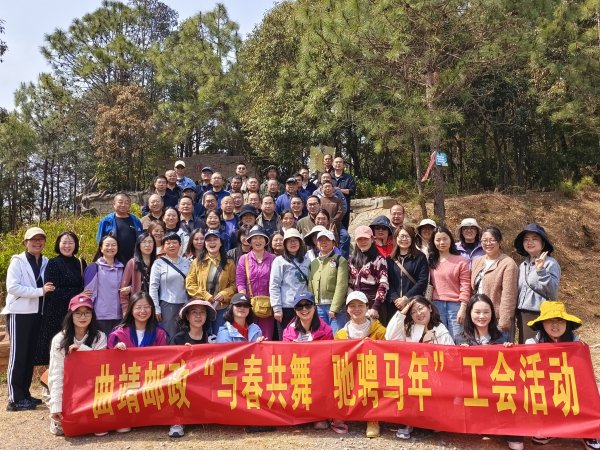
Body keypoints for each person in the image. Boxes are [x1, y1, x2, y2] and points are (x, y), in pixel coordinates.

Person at [521, 302, 599, 450]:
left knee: (586, 392)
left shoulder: (576, 344)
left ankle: (589, 432)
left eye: (559, 320)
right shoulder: (532, 343)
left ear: (566, 323)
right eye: (549, 320)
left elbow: (583, 373)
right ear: (542, 323)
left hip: (571, 385)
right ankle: (551, 428)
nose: (555, 325)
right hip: (547, 386)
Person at [385, 296, 454, 440]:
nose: (418, 313)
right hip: (411, 376)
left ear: (429, 308)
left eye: (421, 308)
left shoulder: (441, 330)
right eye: (413, 312)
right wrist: (402, 313)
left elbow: (450, 359)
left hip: (435, 378)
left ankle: (432, 418)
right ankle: (406, 421)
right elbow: (390, 336)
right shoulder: (409, 329)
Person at [3, 227, 54, 412]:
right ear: (26, 242)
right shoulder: (17, 261)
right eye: (33, 239)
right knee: (18, 356)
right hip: (19, 313)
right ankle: (14, 400)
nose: (37, 242)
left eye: (41, 239)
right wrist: (40, 291)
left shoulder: (46, 261)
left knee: (28, 355)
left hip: (37, 313)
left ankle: (24, 394)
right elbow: (12, 287)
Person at [48, 294, 107, 436]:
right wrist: (56, 406)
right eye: (78, 313)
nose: (83, 317)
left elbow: (99, 367)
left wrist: (82, 350)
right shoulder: (59, 339)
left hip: (91, 387)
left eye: (87, 312)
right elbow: (56, 373)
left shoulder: (100, 337)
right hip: (68, 387)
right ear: (71, 315)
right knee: (61, 430)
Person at [335, 291, 385, 437]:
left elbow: (387, 352)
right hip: (351, 372)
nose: (356, 309)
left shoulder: (379, 330)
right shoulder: (341, 334)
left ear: (367, 307)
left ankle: (372, 419)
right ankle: (342, 413)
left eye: (360, 305)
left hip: (372, 371)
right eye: (352, 306)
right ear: (347, 310)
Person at [34, 231, 88, 366]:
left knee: (75, 351)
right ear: (58, 244)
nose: (67, 246)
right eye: (64, 242)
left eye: (70, 242)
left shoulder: (81, 263)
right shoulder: (53, 263)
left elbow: (86, 287)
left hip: (75, 313)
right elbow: (52, 292)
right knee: (56, 352)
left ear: (76, 245)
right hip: (55, 314)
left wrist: (81, 294)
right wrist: (78, 294)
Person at [168, 299, 217, 438]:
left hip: (204, 382)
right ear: (187, 316)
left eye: (202, 312)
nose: (198, 316)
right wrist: (184, 355)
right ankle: (177, 420)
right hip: (182, 383)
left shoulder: (211, 338)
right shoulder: (178, 339)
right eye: (194, 312)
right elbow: (169, 366)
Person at [513, 223, 561, 344]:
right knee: (525, 348)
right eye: (526, 239)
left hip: (541, 314)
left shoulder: (550, 263)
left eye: (535, 239)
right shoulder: (523, 265)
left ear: (543, 244)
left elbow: (553, 292)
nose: (530, 242)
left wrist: (541, 270)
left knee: (538, 350)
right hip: (523, 315)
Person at [471, 227, 518, 342]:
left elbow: (509, 295)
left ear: (499, 241)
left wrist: (504, 321)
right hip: (480, 318)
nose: (488, 243)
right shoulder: (478, 261)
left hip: (497, 320)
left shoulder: (508, 263)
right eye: (484, 240)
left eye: (492, 240)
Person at [186, 230, 236, 334]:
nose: (212, 242)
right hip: (202, 307)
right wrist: (205, 295)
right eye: (208, 240)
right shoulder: (197, 262)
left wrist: (225, 294)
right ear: (205, 244)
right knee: (203, 336)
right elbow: (190, 284)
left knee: (220, 336)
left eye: (215, 239)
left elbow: (234, 284)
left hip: (222, 308)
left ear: (221, 243)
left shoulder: (229, 263)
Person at [428, 226, 471, 342]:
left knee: (458, 338)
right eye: (438, 240)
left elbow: (465, 285)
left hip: (455, 305)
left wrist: (463, 307)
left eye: (445, 239)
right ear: (433, 242)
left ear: (450, 239)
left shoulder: (461, 260)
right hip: (436, 305)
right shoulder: (431, 260)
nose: (441, 242)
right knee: (440, 338)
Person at [236, 226, 276, 339]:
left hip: (267, 306)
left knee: (266, 337)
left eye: (261, 238)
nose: (258, 241)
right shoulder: (244, 259)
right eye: (254, 238)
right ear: (250, 241)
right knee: (249, 337)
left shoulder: (273, 258)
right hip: (249, 305)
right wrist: (244, 301)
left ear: (266, 241)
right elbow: (240, 281)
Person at [270, 229, 311, 339]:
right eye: (289, 241)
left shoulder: (307, 260)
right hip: (286, 306)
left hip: (304, 305)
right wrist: (277, 308)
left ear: (300, 243)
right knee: (286, 339)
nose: (292, 243)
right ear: (285, 244)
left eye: (295, 240)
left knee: (303, 338)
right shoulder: (279, 261)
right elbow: (274, 285)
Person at [149, 233, 191, 339]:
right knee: (169, 335)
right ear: (163, 246)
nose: (171, 245)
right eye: (168, 243)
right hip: (167, 305)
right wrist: (156, 308)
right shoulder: (158, 263)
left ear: (180, 245)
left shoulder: (187, 262)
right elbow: (153, 287)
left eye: (174, 242)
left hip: (185, 304)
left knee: (184, 335)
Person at [385, 226, 429, 326]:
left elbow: (422, 281)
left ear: (412, 238)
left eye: (407, 236)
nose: (404, 239)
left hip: (414, 303)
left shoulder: (420, 257)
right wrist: (396, 299)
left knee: (414, 331)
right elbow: (387, 281)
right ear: (396, 238)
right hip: (393, 304)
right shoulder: (390, 259)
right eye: (401, 236)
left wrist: (406, 298)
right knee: (394, 331)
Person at [308, 229, 349, 334]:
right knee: (321, 337)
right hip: (318, 308)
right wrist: (312, 306)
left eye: (327, 240)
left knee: (337, 336)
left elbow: (341, 285)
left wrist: (334, 308)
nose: (323, 242)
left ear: (333, 243)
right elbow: (310, 286)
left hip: (335, 308)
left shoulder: (340, 260)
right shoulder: (313, 263)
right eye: (320, 240)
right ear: (317, 243)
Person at [84, 235, 125, 335]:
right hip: (100, 316)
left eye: (113, 245)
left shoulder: (122, 267)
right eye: (107, 245)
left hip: (120, 315)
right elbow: (89, 294)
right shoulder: (94, 267)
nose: (110, 247)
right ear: (101, 248)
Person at [348, 225, 389, 322]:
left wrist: (375, 307)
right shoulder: (352, 260)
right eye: (360, 239)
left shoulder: (379, 259)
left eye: (366, 239)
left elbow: (383, 284)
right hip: (357, 303)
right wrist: (351, 302)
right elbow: (350, 283)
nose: (363, 242)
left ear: (372, 239)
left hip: (373, 303)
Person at [96, 193, 143, 263]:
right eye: (120, 202)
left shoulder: (136, 221)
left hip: (133, 260)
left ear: (130, 205)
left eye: (126, 203)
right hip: (113, 261)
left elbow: (140, 239)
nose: (123, 205)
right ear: (114, 204)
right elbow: (100, 241)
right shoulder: (106, 221)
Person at [119, 232, 156, 315]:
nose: (147, 245)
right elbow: (123, 291)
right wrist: (125, 311)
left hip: (154, 306)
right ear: (139, 245)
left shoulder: (157, 263)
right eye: (144, 242)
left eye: (150, 242)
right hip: (137, 307)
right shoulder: (132, 263)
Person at [331, 156, 356, 230]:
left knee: (343, 231)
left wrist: (339, 190)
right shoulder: (329, 177)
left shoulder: (348, 178)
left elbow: (352, 191)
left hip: (344, 209)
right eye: (336, 162)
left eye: (340, 162)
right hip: (331, 208)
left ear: (343, 165)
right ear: (332, 164)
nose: (338, 164)